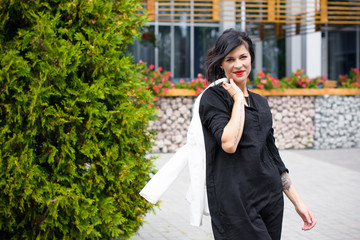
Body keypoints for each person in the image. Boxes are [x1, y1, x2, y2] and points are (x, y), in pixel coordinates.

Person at [199, 28, 316, 240]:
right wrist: (237, 99)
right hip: (235, 204)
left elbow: (273, 157)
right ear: (221, 64)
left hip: (270, 199)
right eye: (230, 59)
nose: (238, 65)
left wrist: (298, 202)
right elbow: (229, 144)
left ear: (251, 57)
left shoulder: (260, 102)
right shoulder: (213, 98)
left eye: (243, 57)